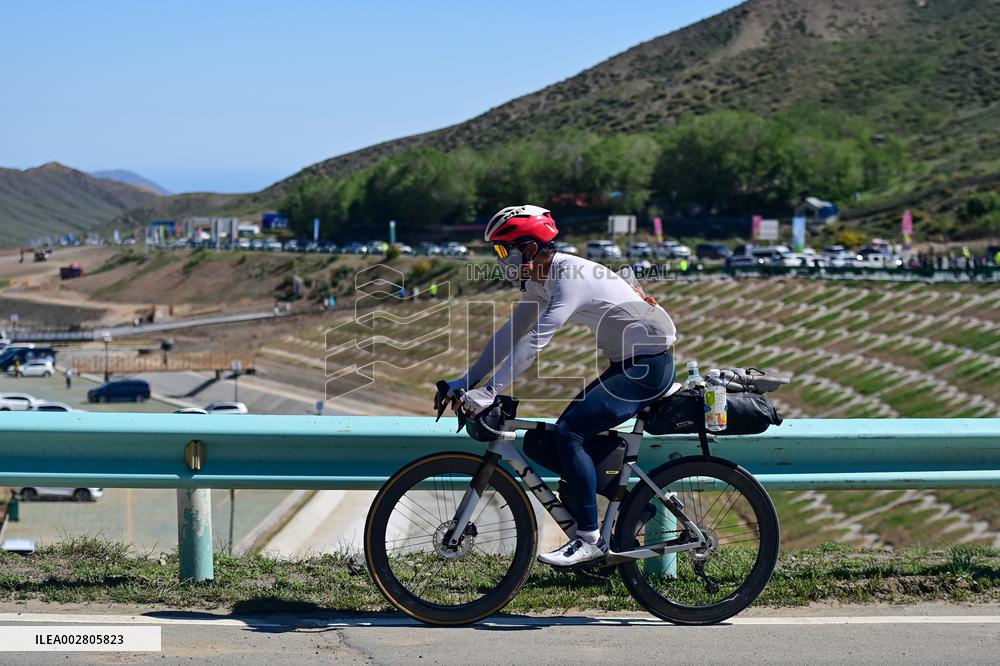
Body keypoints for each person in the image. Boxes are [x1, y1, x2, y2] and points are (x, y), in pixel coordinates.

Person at [435, 205, 677, 566]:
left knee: (569, 434)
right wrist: (467, 381)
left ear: (530, 249)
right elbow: (511, 334)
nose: (500, 259)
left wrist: (489, 392)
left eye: (505, 250)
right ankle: (630, 509)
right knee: (544, 443)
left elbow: (535, 340)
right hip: (627, 363)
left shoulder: (569, 275)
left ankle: (589, 539)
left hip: (649, 367)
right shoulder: (539, 280)